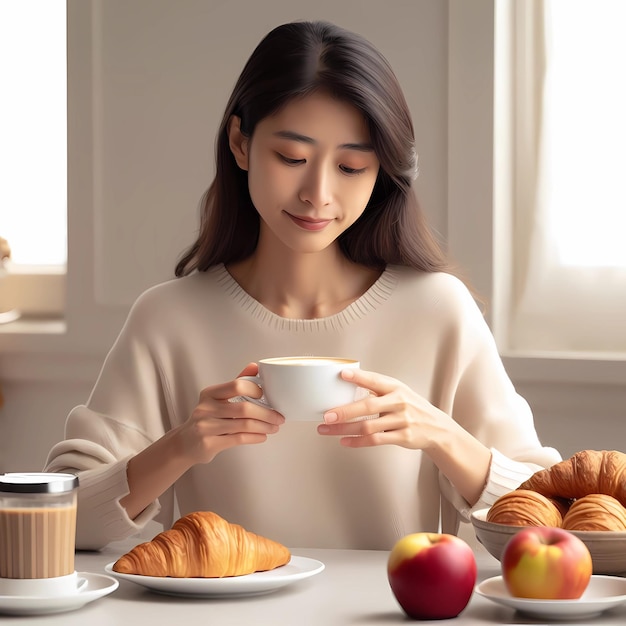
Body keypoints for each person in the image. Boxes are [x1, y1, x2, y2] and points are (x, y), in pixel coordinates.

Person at [45, 20, 561, 551]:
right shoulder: (168, 319)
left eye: (351, 166)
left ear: (380, 173)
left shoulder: (438, 310)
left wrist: (442, 436)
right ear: (240, 144)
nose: (318, 193)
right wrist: (181, 446)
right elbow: (59, 523)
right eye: (292, 158)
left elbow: (548, 523)